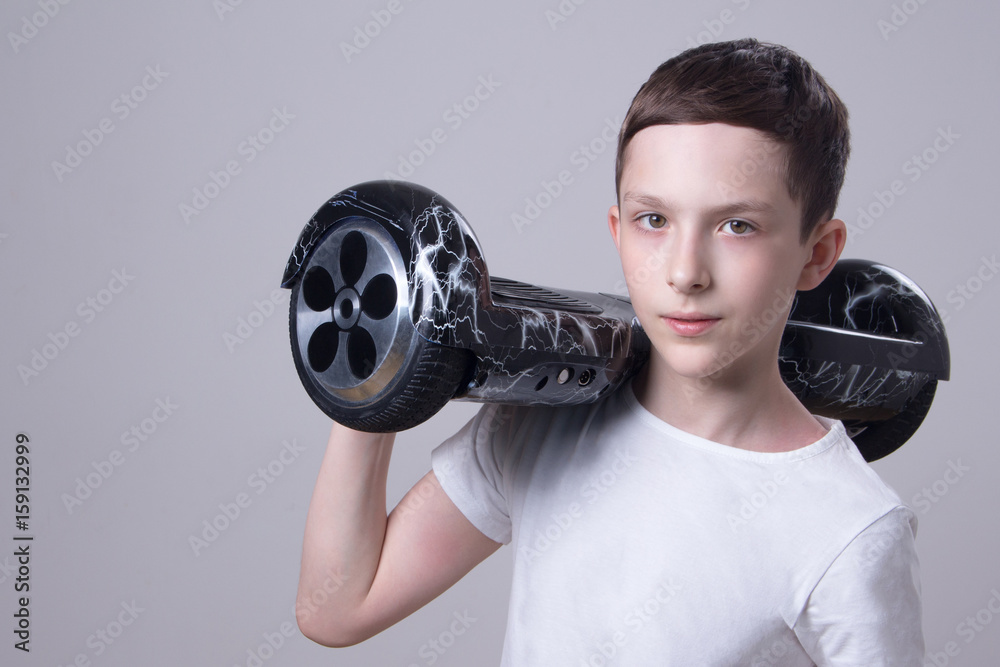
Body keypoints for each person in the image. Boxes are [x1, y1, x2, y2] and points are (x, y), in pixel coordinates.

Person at [295, 38, 924, 665]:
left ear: (817, 254)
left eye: (738, 226)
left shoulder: (850, 532)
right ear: (618, 231)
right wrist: (376, 372)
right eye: (655, 220)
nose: (685, 272)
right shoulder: (541, 417)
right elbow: (337, 609)